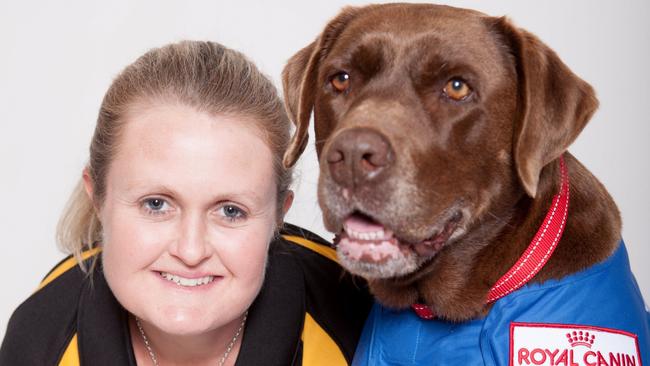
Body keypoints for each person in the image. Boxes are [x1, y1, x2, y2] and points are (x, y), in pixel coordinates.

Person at [0, 41, 371, 366]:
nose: (191, 251)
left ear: (278, 215)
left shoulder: (359, 322)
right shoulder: (39, 340)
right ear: (97, 197)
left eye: (230, 211)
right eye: (156, 204)